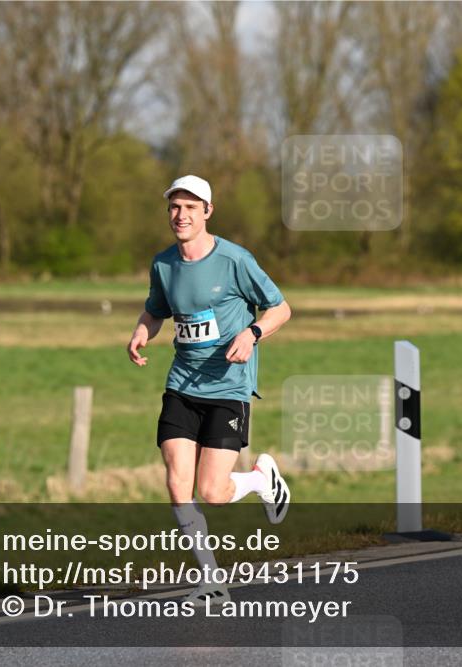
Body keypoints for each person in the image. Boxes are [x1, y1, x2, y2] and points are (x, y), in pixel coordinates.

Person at [127, 175, 292, 603]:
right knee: (177, 484)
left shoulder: (235, 260)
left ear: (207, 212)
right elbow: (155, 311)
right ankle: (211, 580)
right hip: (182, 383)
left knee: (213, 493)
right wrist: (142, 331)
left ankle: (260, 480)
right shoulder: (163, 264)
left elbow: (280, 308)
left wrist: (252, 333)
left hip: (228, 387)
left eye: (190, 208)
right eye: (174, 208)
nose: (180, 215)